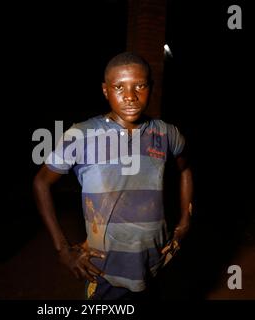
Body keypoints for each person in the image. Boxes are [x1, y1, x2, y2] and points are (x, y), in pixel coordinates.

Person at [33, 52, 193, 300]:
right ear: (105, 90)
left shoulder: (166, 133)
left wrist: (184, 220)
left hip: (155, 262)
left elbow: (185, 169)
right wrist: (62, 248)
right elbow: (42, 182)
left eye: (139, 86)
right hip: (106, 270)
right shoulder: (81, 134)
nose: (130, 96)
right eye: (119, 87)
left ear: (150, 87)